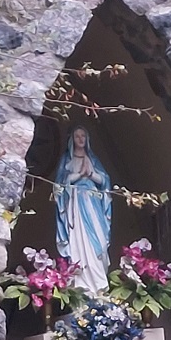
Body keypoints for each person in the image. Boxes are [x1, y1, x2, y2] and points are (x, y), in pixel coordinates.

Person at [54, 125, 113, 295]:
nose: (80, 139)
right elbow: (59, 185)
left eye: (83, 136)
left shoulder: (93, 159)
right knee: (79, 240)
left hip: (94, 203)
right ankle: (82, 284)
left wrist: (91, 174)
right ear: (71, 140)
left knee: (99, 241)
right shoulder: (67, 160)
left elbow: (104, 181)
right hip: (76, 206)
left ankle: (99, 284)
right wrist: (80, 175)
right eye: (77, 136)